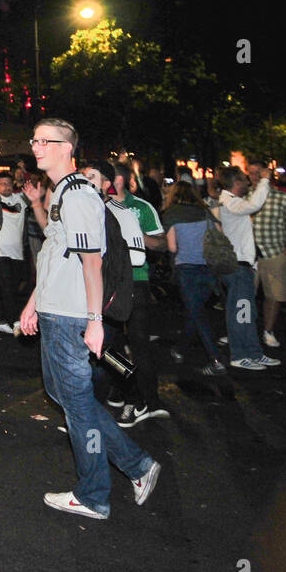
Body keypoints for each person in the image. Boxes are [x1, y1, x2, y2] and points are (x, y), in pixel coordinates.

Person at [18, 119, 161, 519]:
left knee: (77, 405)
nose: (36, 146)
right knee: (68, 398)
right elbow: (55, 255)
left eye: (46, 140)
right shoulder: (61, 191)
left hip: (70, 315)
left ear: (68, 148)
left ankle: (96, 494)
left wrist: (95, 320)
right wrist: (33, 302)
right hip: (55, 309)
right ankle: (137, 466)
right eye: (35, 139)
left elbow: (91, 262)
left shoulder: (78, 194)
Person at [104, 161, 169, 426]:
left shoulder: (141, 207)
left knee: (139, 342)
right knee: (108, 346)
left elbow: (162, 244)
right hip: (106, 284)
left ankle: (146, 401)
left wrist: (137, 236)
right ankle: (123, 388)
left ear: (120, 181)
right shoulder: (98, 206)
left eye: (109, 178)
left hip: (136, 280)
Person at [213, 166, 278, 369]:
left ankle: (253, 353)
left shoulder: (227, 202)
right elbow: (254, 205)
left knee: (246, 313)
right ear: (236, 183)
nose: (248, 182)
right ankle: (240, 356)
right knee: (241, 314)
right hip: (238, 268)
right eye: (244, 179)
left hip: (241, 267)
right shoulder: (230, 202)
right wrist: (265, 181)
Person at [160, 179, 226, 375]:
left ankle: (216, 360)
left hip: (186, 270)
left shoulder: (171, 214)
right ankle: (180, 349)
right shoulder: (205, 212)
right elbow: (220, 236)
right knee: (194, 312)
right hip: (208, 270)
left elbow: (172, 247)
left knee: (197, 314)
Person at [247, 162, 286, 349]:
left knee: (273, 296)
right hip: (249, 256)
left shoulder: (283, 198)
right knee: (244, 295)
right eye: (252, 174)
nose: (256, 177)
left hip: (274, 253)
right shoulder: (244, 197)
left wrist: (285, 253)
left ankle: (268, 331)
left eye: (259, 173)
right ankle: (242, 330)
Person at [0, 172, 27, 334]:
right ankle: (14, 321)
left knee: (10, 289)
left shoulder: (20, 200)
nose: (6, 186)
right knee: (7, 288)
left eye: (8, 183)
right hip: (0, 253)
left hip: (17, 253)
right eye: (2, 183)